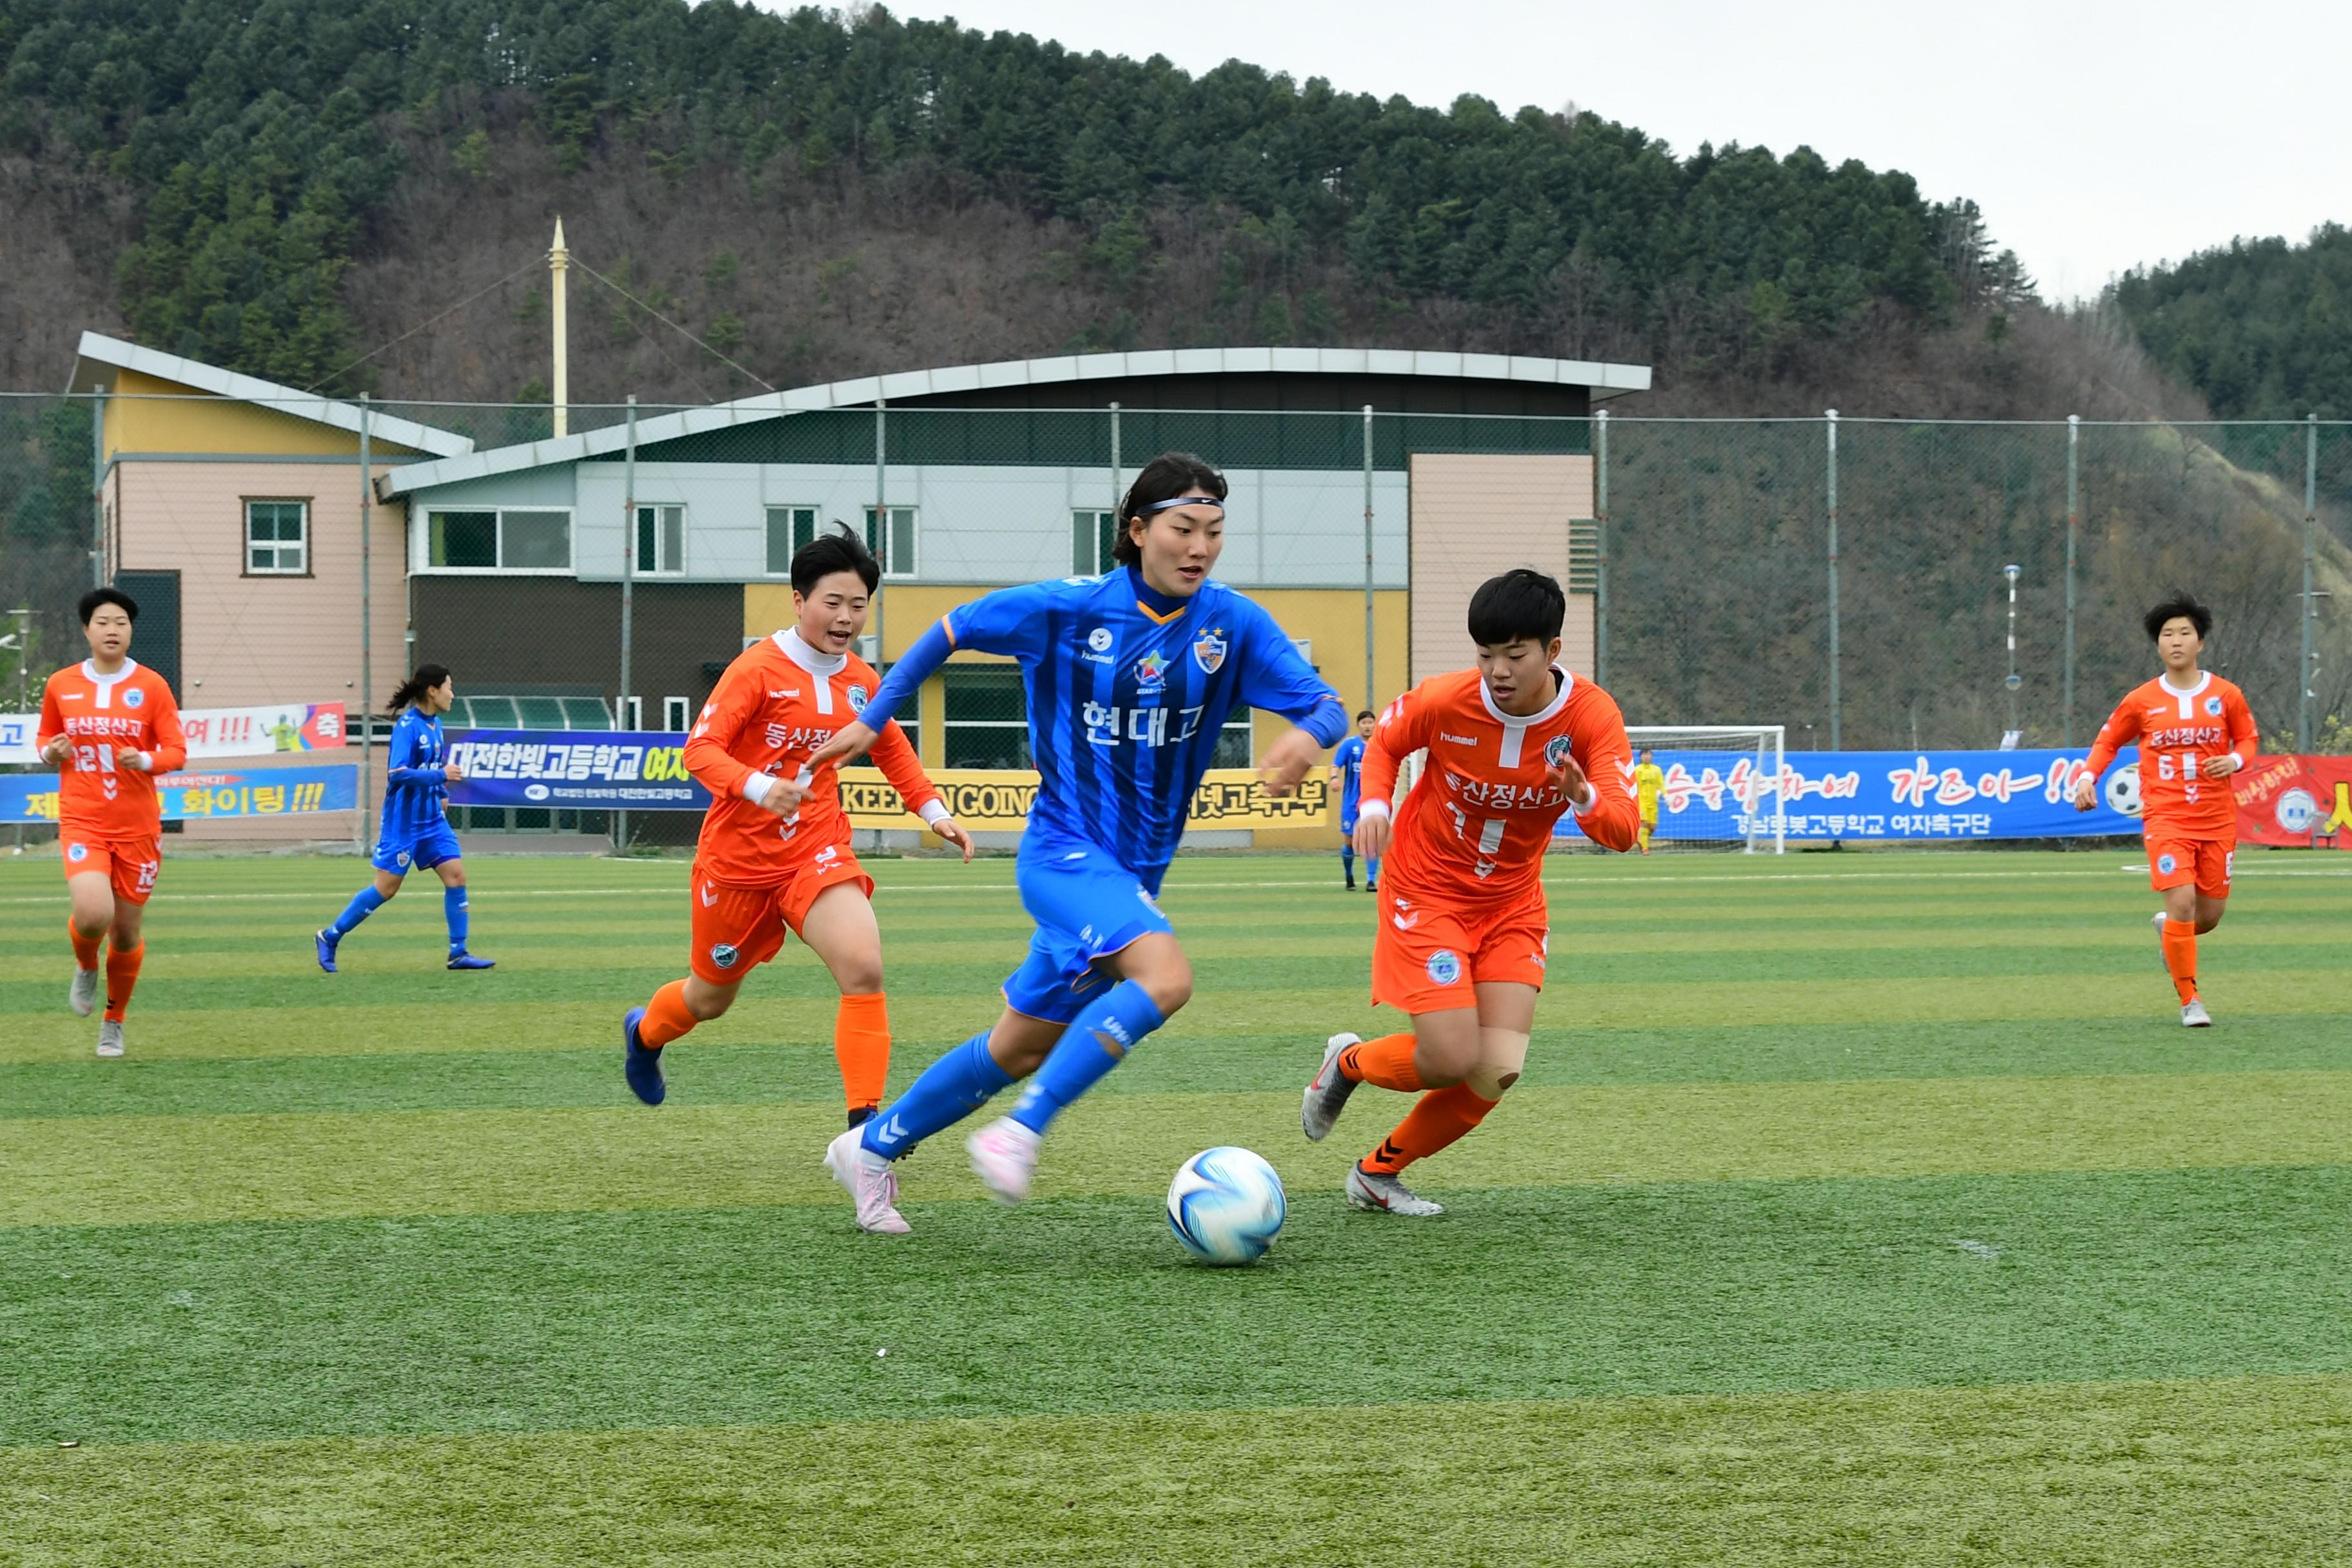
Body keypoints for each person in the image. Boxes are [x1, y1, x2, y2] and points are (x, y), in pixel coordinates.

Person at [810, 452, 1348, 1234]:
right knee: (1166, 977)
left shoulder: (1231, 623)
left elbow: (1325, 703)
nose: (1200, 546)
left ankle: (872, 1145)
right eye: (1183, 528)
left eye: (1215, 531)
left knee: (1018, 1044)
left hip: (1133, 873)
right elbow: (951, 629)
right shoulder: (1067, 609)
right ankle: (1021, 1129)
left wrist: (1305, 739)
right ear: (1137, 530)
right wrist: (872, 716)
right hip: (1062, 851)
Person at [1300, 569, 1638, 1216]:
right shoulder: (1446, 699)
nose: (1499, 670)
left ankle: (1377, 1172)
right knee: (1452, 1056)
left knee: (1496, 1068)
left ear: (1553, 650)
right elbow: (1386, 745)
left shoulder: (1593, 717)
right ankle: (1348, 1064)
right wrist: (1374, 802)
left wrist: (1583, 795)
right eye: (1486, 655)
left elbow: (1622, 830)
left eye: (1516, 655)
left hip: (1512, 903)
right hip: (1428, 891)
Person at [621, 527, 975, 1137]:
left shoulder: (864, 680)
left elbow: (890, 747)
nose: (845, 618)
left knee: (863, 966)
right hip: (738, 863)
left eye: (858, 605)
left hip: (815, 849)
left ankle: (867, 1133)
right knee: (709, 999)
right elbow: (699, 751)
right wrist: (760, 787)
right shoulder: (755, 670)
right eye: (832, 603)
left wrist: (934, 812)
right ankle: (645, 1033)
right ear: (798, 601)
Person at [2073, 591, 2256, 1027]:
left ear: (2200, 643)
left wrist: (2233, 761)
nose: (2176, 641)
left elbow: (2248, 739)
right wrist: (2086, 777)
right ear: (2158, 645)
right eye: (2167, 634)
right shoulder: (2142, 700)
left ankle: (2168, 930)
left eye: (2185, 633)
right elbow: (2108, 740)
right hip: (2166, 817)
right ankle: (2191, 1000)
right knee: (2183, 901)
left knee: (2206, 918)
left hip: (2216, 818)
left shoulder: (2226, 695)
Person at [37, 586, 185, 1058]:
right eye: (103, 622)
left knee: (124, 933)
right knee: (93, 914)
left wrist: (144, 759)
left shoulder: (153, 685)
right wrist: (50, 753)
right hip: (83, 817)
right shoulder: (61, 683)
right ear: (86, 630)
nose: (112, 630)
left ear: (131, 631)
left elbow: (176, 751)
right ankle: (85, 965)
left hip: (137, 825)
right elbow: (45, 737)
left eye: (121, 622)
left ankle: (114, 1021)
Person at [315, 664, 495, 973]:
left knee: (456, 877)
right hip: (403, 824)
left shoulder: (435, 725)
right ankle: (330, 936)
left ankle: (458, 953)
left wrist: (440, 792)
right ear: (432, 690)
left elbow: (430, 767)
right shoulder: (407, 727)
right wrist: (441, 775)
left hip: (432, 820)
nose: (453, 694)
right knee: (386, 889)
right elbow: (397, 774)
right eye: (449, 687)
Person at [1331, 710, 1378, 890]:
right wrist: (1334, 778)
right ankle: (1349, 877)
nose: (1367, 726)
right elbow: (1336, 764)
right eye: (1364, 723)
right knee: (1349, 843)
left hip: (1372, 800)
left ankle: (1371, 880)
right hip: (1351, 801)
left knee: (1371, 840)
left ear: (1375, 725)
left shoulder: (1380, 744)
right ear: (1359, 725)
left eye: (1370, 723)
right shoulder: (1350, 745)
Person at [1632, 747, 1666, 854]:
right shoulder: (1637, 770)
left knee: (1652, 827)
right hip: (1642, 801)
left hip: (1653, 802)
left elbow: (1661, 784)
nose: (1647, 757)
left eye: (1649, 755)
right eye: (1644, 755)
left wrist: (1666, 796)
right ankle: (1645, 849)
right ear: (1641, 757)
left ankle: (1640, 838)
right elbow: (1633, 785)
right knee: (1644, 824)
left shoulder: (1657, 770)